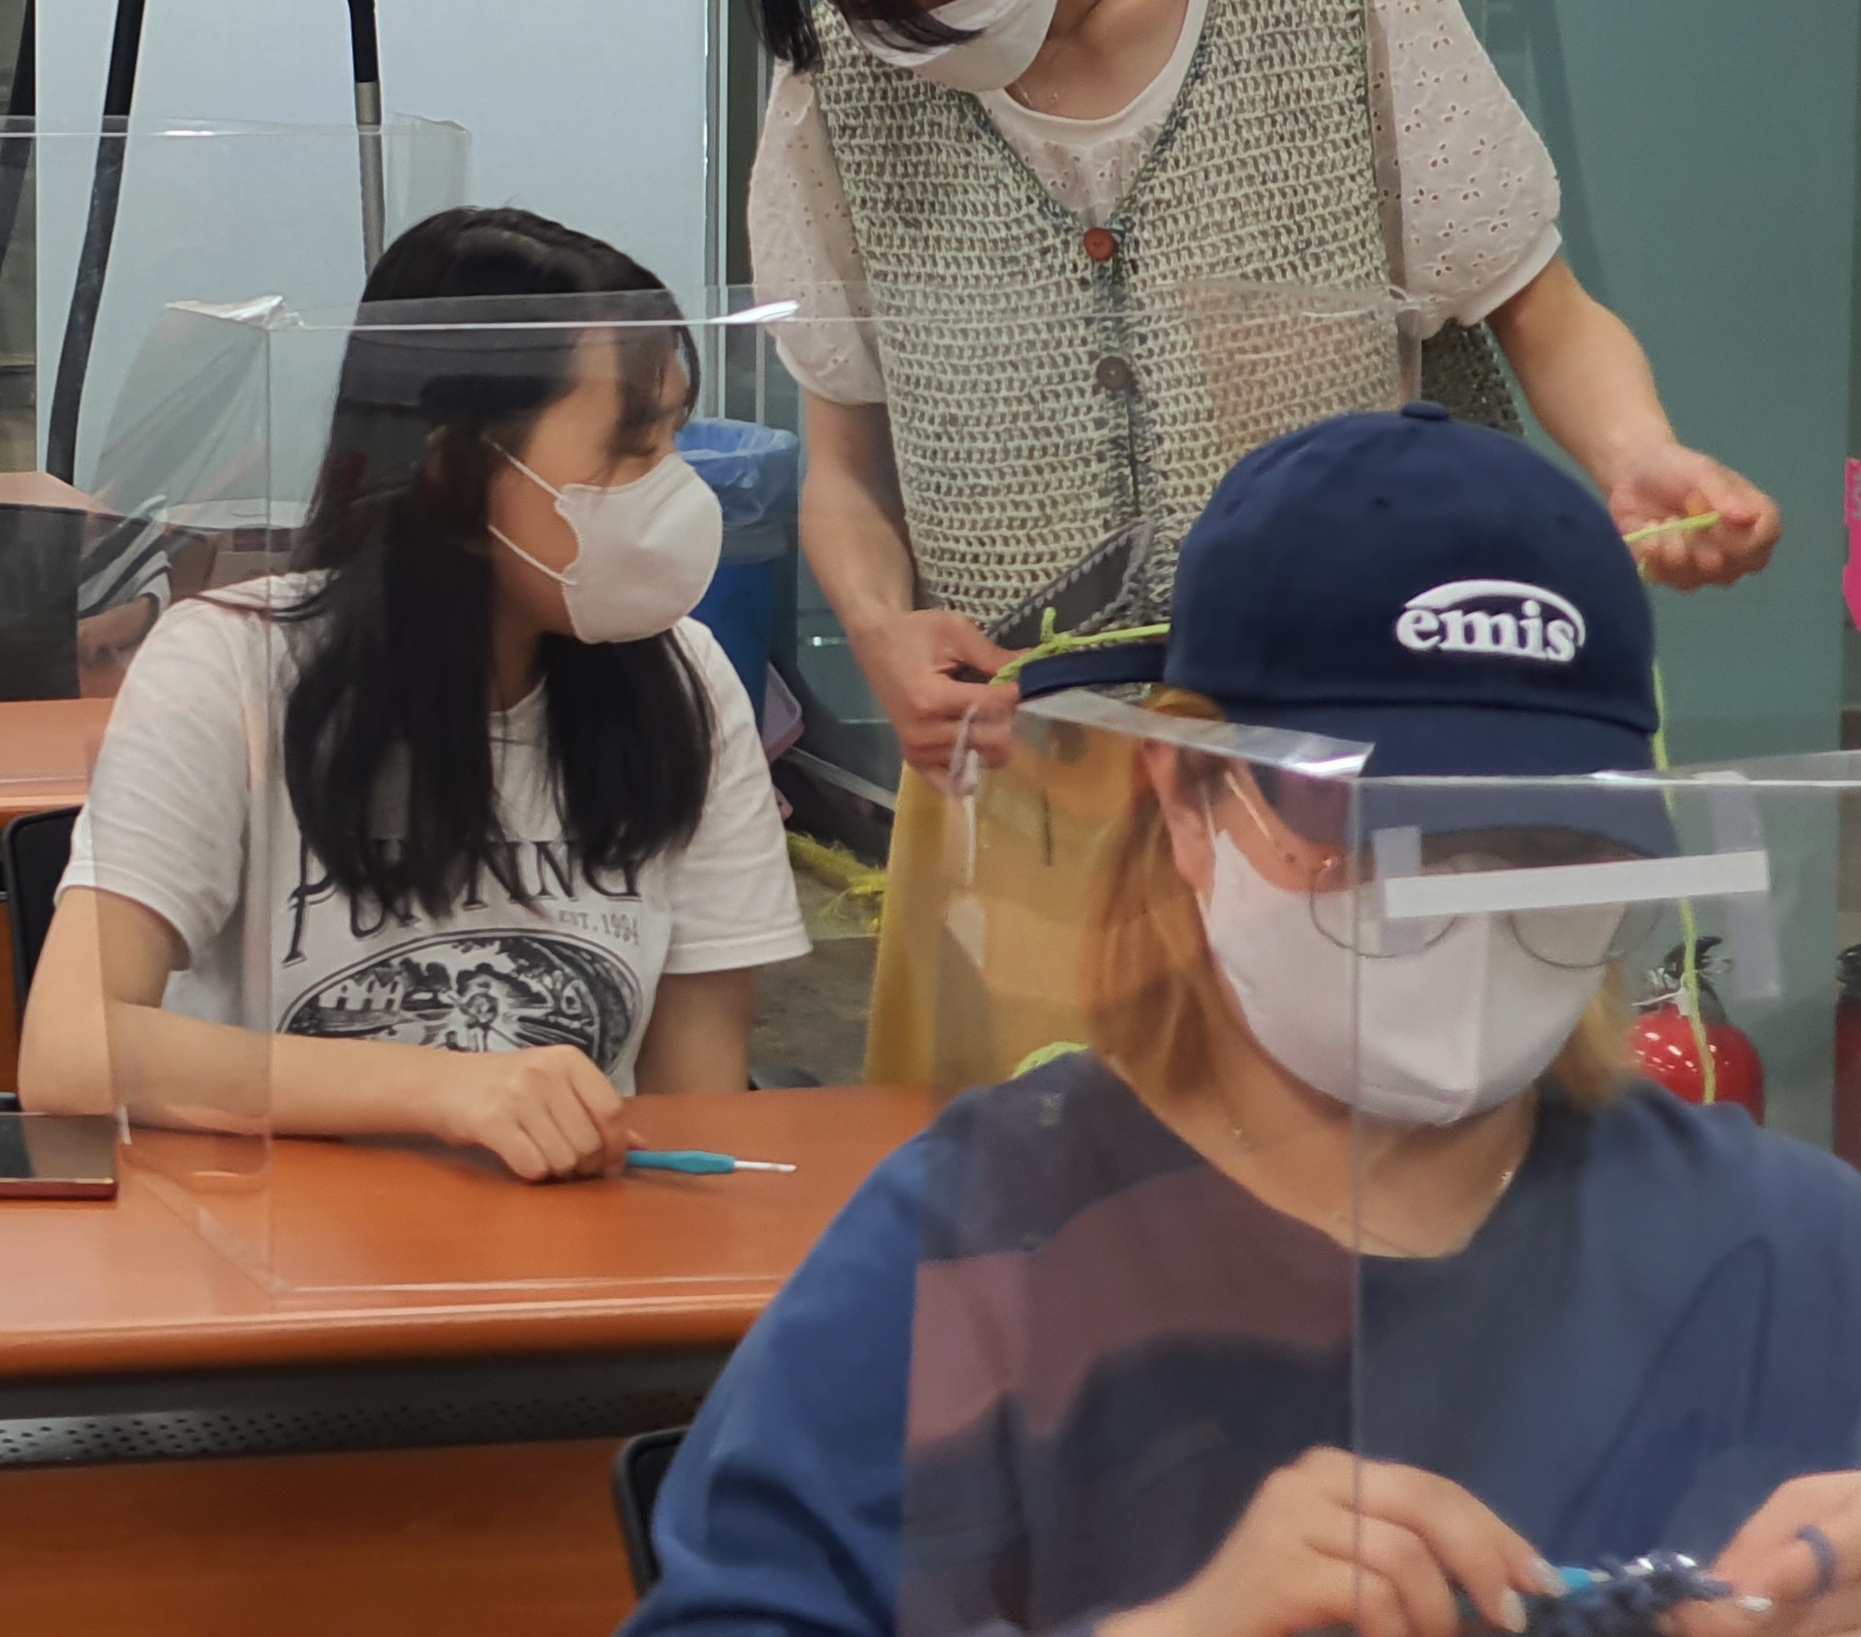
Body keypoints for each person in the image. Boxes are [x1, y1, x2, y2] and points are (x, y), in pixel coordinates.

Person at [725, 0, 1777, 1072]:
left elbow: (1537, 307)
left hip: (1360, 741)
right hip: (1039, 776)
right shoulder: (839, 92)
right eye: (856, 1)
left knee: (1394, 1140)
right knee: (1054, 1179)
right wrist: (886, 631)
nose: (911, 35)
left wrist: (1637, 452)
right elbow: (845, 463)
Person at [625, 404, 1861, 1637]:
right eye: (1381, 839)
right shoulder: (976, 1247)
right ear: (1185, 796)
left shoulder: (1790, 1251)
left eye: (1548, 849)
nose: (1470, 913)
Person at [15, 209, 809, 1181]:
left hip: (562, 1247)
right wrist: (445, 1092)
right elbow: (72, 1050)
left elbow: (698, 1110)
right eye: (631, 448)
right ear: (454, 470)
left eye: (673, 440)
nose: (675, 491)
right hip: (277, 1242)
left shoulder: (687, 683)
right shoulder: (229, 666)